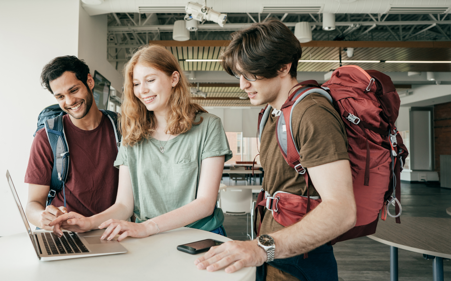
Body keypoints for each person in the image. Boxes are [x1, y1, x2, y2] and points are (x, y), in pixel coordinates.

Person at [194, 20, 356, 280]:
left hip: (301, 264)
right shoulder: (272, 113)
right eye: (239, 76)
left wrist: (261, 248)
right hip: (273, 255)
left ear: (283, 66)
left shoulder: (311, 113)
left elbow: (342, 210)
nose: (242, 85)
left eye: (250, 74)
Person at [50, 45, 232, 241]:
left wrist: (147, 227)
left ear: (174, 79)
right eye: (136, 84)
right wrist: (90, 222)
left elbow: (205, 203)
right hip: (149, 238)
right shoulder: (133, 133)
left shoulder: (208, 126)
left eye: (150, 80)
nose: (142, 90)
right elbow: (124, 205)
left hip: (200, 236)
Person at [25, 56, 120, 234]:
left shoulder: (121, 129)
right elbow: (33, 204)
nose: (69, 101)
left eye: (74, 90)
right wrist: (42, 217)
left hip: (112, 231)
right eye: (60, 96)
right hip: (66, 234)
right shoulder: (46, 137)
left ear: (89, 81)